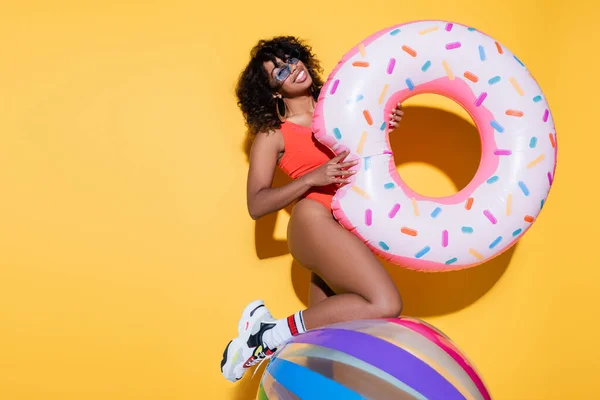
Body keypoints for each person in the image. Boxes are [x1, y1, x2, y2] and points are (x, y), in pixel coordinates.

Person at [221, 36, 405, 382]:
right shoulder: (273, 134)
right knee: (385, 303)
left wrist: (383, 121)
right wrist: (312, 178)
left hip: (347, 229)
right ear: (274, 91)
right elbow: (256, 203)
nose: (293, 69)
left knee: (325, 353)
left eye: (293, 58)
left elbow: (367, 161)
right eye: (279, 71)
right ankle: (266, 335)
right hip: (313, 223)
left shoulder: (343, 107)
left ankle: (261, 345)